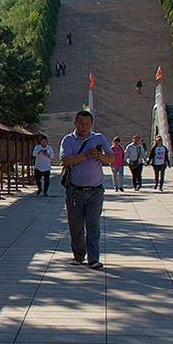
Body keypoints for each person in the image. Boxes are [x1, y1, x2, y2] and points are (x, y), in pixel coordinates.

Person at [60, 110, 110, 269]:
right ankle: (79, 255)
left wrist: (99, 156)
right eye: (81, 123)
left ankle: (93, 259)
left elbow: (112, 158)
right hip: (75, 191)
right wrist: (85, 154)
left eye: (87, 124)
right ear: (75, 123)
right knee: (76, 225)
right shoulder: (68, 140)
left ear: (91, 124)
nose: (84, 127)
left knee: (93, 224)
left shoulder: (99, 138)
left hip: (95, 190)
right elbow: (66, 160)